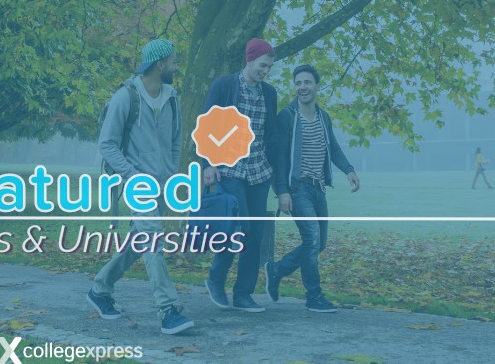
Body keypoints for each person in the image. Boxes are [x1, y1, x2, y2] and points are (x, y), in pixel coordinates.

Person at [86, 39, 193, 335]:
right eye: (173, 60)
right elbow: (107, 144)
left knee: (139, 241)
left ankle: (100, 289)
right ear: (159, 64)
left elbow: (175, 142)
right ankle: (168, 309)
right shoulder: (126, 96)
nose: (176, 65)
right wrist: (133, 175)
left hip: (161, 182)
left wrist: (170, 175)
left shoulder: (172, 98)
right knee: (153, 237)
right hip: (136, 182)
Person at [265, 64, 361, 312]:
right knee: (312, 239)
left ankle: (276, 270)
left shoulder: (323, 117)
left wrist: (349, 170)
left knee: (319, 244)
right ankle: (313, 296)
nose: (302, 87)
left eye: (307, 82)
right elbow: (281, 155)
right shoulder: (288, 116)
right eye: (298, 83)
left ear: (317, 87)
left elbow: (334, 149)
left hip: (319, 189)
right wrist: (282, 191)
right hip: (298, 188)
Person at [201, 38, 279, 312]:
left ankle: (243, 294)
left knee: (255, 234)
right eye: (262, 65)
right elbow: (206, 125)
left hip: (258, 172)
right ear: (249, 60)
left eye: (269, 67)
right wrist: (208, 164)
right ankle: (215, 278)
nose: (265, 71)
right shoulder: (224, 86)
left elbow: (271, 136)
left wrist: (276, 177)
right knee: (239, 229)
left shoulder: (269, 93)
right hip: (229, 169)